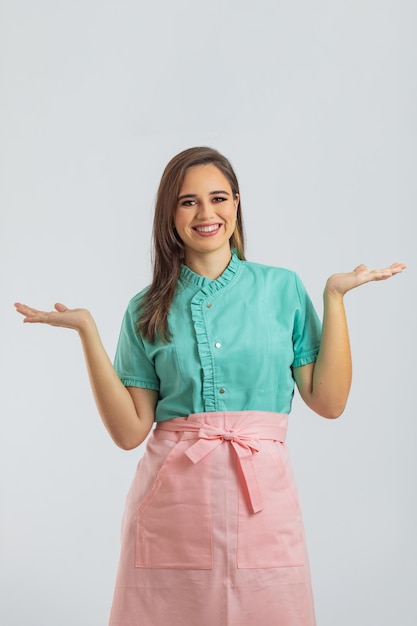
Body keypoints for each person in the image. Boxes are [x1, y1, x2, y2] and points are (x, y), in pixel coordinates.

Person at [14, 146, 406, 626]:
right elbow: (129, 432)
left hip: (262, 498)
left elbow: (328, 402)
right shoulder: (145, 308)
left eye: (218, 197)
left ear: (237, 204)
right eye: (188, 201)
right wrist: (87, 332)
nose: (206, 213)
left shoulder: (283, 289)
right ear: (170, 215)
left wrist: (335, 298)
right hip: (172, 503)